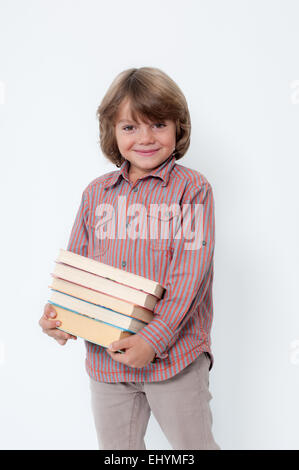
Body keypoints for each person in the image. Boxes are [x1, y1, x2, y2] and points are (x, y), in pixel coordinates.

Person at [39, 67, 220, 450]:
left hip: (175, 361)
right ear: (112, 133)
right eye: (129, 127)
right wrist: (60, 314)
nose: (146, 138)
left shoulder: (193, 189)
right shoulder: (96, 194)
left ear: (178, 128)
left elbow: (191, 275)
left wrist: (153, 340)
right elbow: (78, 271)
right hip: (107, 363)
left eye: (158, 124)